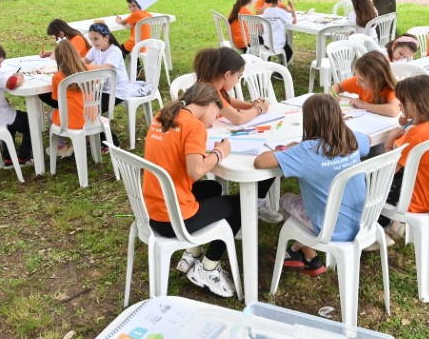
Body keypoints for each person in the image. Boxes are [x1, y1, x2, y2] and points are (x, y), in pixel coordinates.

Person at [253, 94, 370, 276]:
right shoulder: (351, 139)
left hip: (330, 229)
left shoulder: (304, 151)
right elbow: (368, 141)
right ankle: (302, 252)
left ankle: (309, 253)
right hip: (362, 221)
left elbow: (260, 162)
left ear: (308, 120)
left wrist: (290, 149)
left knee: (285, 200)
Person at [143, 83, 240, 298]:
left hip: (153, 211)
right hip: (174, 221)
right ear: (209, 104)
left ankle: (194, 251)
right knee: (240, 206)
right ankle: (209, 268)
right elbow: (195, 171)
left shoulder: (163, 116)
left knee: (213, 187)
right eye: (217, 114)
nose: (214, 121)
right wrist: (220, 153)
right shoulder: (194, 126)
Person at [193, 48, 282, 224]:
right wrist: (258, 109)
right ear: (227, 74)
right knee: (263, 157)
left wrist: (251, 106)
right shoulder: (209, 92)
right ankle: (246, 212)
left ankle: (256, 202)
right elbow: (238, 118)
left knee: (266, 153)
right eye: (239, 77)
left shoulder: (211, 86)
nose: (238, 81)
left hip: (214, 142)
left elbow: (229, 103)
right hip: (208, 146)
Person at [377, 75, 429, 238]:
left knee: (369, 186)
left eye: (402, 102)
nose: (400, 106)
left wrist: (389, 142)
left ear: (415, 105)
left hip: (414, 200)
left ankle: (382, 227)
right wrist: (412, 125)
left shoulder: (417, 135)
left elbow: (389, 170)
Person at [83, 23, 129, 147]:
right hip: (102, 89)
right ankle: (94, 137)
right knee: (84, 108)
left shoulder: (114, 51)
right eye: (91, 39)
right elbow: (85, 61)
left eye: (96, 39)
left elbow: (105, 68)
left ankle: (112, 141)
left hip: (117, 91)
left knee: (90, 111)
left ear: (106, 37)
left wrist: (85, 67)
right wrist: (72, 63)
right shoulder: (95, 48)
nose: (93, 42)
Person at [46, 39, 90, 158]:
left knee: (51, 114)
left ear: (58, 59)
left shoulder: (57, 77)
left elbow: (56, 99)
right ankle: (86, 141)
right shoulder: (87, 70)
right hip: (91, 117)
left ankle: (61, 147)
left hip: (72, 120)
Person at [330, 50, 401, 117]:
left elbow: (393, 111)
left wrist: (363, 105)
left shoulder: (390, 90)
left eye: (361, 80)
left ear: (377, 80)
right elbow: (338, 86)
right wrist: (332, 96)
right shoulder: (359, 82)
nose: (357, 83)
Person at [262, 0, 297, 65]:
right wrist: (292, 8)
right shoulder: (280, 12)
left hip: (267, 42)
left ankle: (267, 64)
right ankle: (280, 69)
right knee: (289, 52)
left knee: (282, 41)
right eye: (281, 0)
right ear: (278, 1)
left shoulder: (266, 11)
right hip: (276, 44)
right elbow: (294, 21)